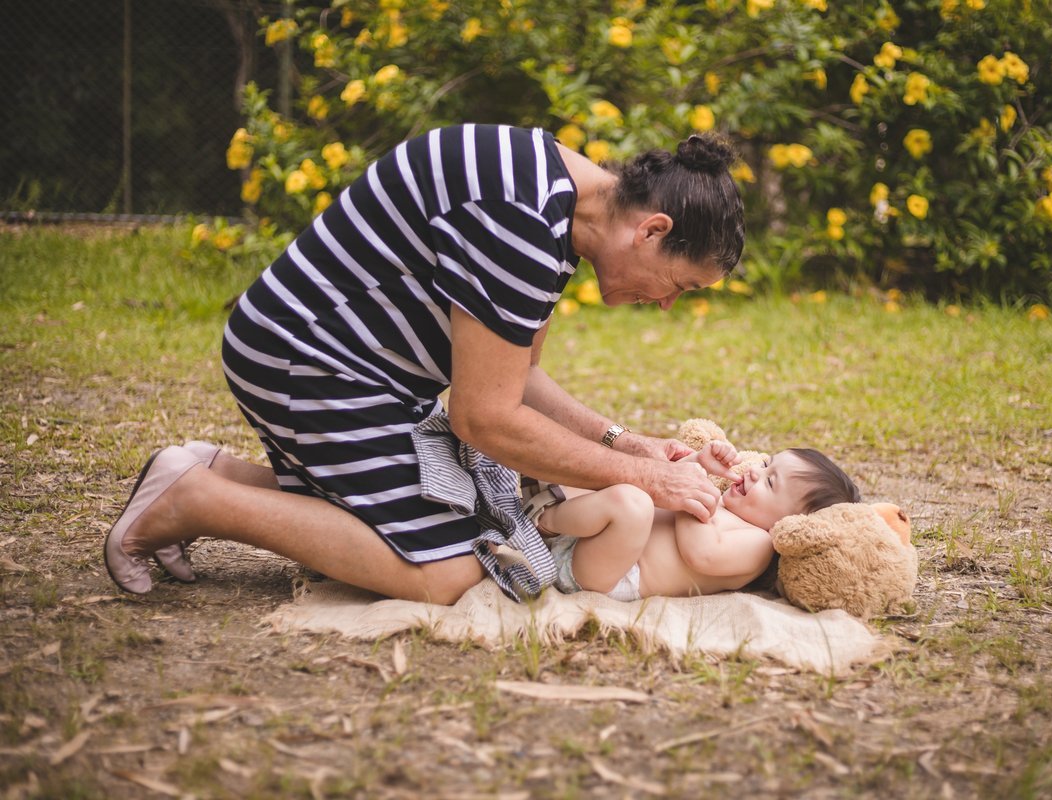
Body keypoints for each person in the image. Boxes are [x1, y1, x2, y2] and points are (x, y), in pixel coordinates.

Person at [103, 124, 746, 604]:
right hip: (305, 361)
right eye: (679, 286)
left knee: (455, 513)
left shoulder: (552, 201)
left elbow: (514, 376)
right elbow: (483, 419)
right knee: (451, 567)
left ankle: (206, 471)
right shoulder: (518, 219)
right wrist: (643, 479)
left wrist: (624, 442)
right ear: (653, 229)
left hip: (358, 372)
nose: (665, 305)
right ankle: (195, 502)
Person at [527, 442, 862, 600]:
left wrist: (693, 496)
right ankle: (545, 500)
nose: (756, 471)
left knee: (631, 504)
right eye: (766, 463)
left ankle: (543, 520)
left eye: (771, 482)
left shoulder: (759, 544)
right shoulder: (728, 507)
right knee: (628, 488)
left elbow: (700, 553)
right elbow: (668, 486)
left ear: (786, 524)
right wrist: (693, 464)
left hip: (609, 574)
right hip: (596, 540)